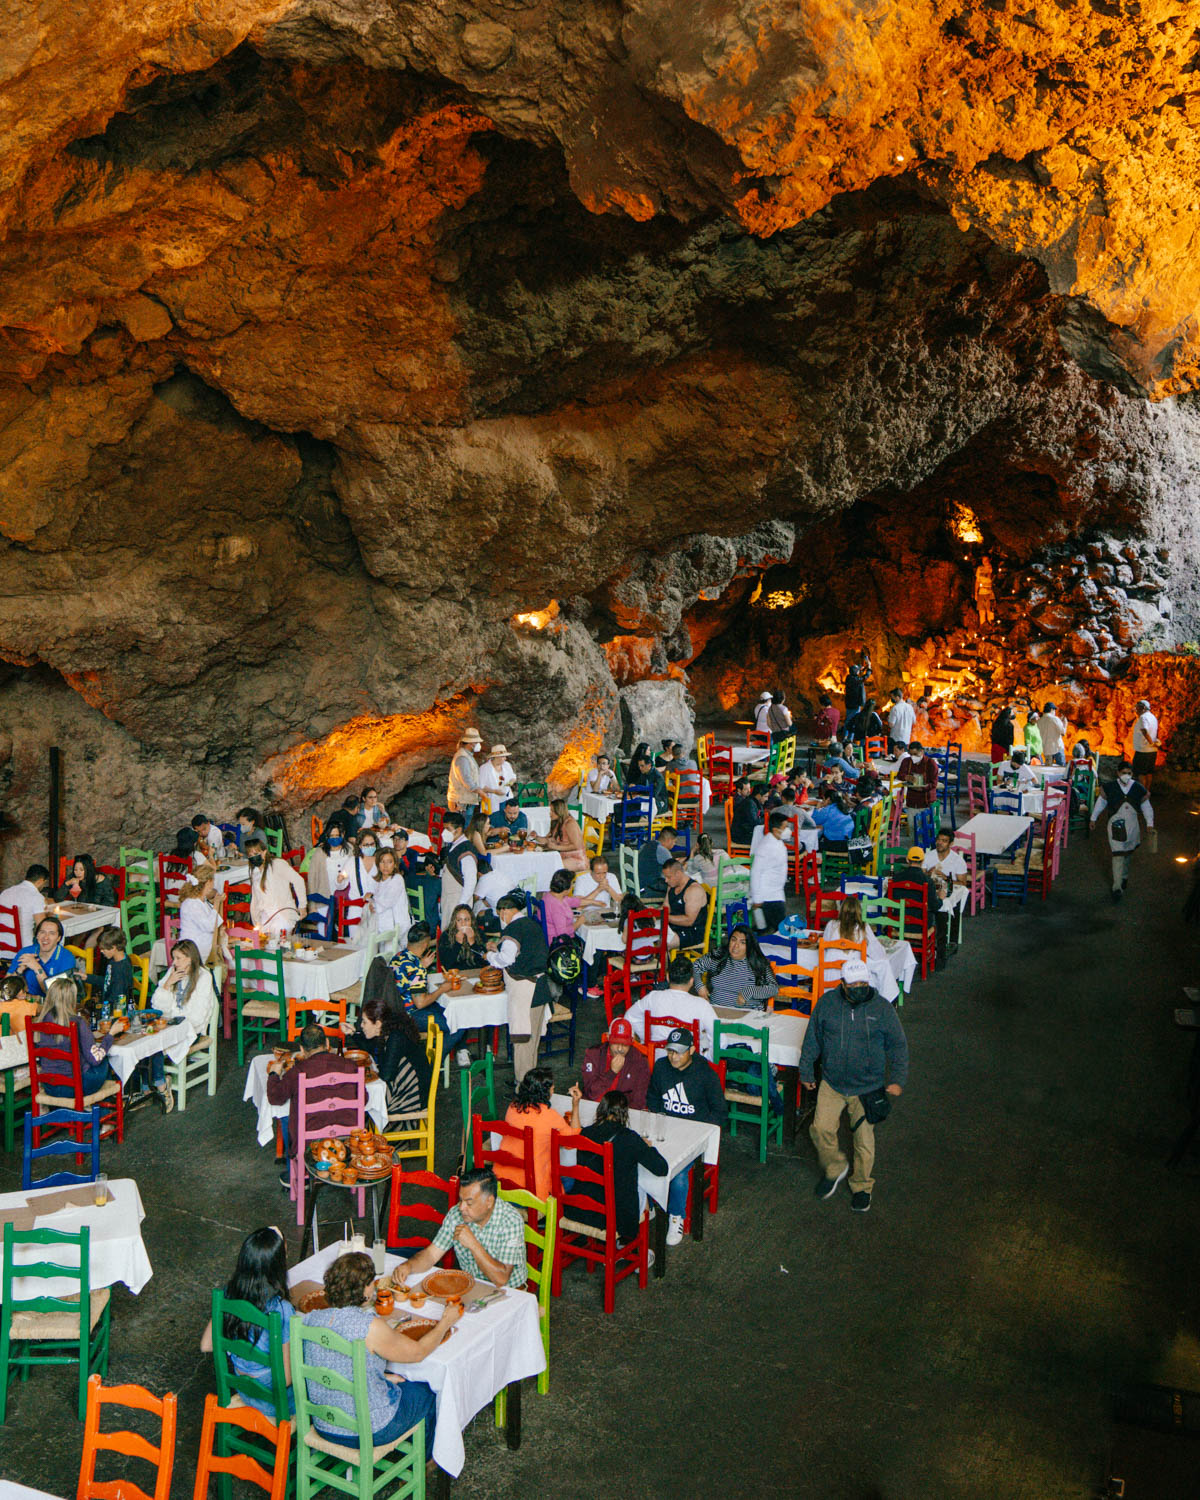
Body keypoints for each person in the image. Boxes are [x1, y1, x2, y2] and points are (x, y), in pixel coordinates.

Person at [299, 1250, 456, 1450]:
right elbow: (418, 1352)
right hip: (371, 1429)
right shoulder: (369, 1327)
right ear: (365, 1290)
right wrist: (445, 1323)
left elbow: (337, 1365)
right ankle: (425, 1463)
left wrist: (382, 1378)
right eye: (371, 1283)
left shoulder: (311, 1319)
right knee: (427, 1392)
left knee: (397, 1380)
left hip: (325, 1425)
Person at [799, 957, 908, 1213]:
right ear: (842, 984)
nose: (859, 986)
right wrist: (806, 1071)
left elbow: (898, 1045)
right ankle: (835, 1168)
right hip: (833, 1083)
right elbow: (812, 1038)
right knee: (819, 1129)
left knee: (864, 1142)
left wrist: (897, 1079)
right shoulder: (827, 1004)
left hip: (867, 1087)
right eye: (853, 983)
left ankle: (861, 1186)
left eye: (863, 982)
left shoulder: (882, 1009)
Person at [199, 1227, 295, 1416]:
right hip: (275, 1403)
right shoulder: (282, 1310)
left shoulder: (228, 1294)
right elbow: (285, 1379)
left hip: (244, 1390)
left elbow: (206, 1345)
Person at [646, 1027, 726, 1245]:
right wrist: (657, 1115)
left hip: (692, 1135)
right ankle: (651, 1202)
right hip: (665, 1129)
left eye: (679, 1052)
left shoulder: (705, 1074)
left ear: (692, 1050)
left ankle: (676, 1216)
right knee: (642, 1156)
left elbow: (720, 1111)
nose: (673, 1056)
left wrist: (700, 1133)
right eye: (670, 1051)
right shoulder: (662, 1067)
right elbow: (652, 1096)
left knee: (679, 1172)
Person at [266, 1023, 361, 1185]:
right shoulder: (351, 1066)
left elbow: (275, 1098)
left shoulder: (298, 1071)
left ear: (302, 1050)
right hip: (346, 1143)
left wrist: (274, 1073)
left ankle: (295, 1175)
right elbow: (363, 1099)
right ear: (328, 1045)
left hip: (312, 1145)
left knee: (285, 1117)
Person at [403, 1166, 529, 1287]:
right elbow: (431, 1255)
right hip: (474, 1287)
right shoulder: (456, 1214)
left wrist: (473, 1244)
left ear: (489, 1202)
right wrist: (409, 1266)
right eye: (461, 1200)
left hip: (509, 1293)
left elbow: (501, 1280)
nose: (461, 1208)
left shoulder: (510, 1221)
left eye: (469, 1203)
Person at [569, 1090, 668, 1244]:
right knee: (643, 1189)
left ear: (601, 1109)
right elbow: (661, 1168)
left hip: (581, 1209)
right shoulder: (630, 1139)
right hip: (613, 1216)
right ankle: (633, 1246)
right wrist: (648, 1147)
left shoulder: (586, 1133)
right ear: (624, 1114)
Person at [140, 938, 218, 1109]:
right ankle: (146, 1089)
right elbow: (157, 1005)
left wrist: (173, 1021)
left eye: (178, 958)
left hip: (191, 1028)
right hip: (170, 1023)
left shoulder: (204, 977)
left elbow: (199, 1014)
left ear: (190, 958)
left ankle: (160, 1085)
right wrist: (168, 984)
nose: (174, 962)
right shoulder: (173, 972)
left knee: (158, 1040)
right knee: (146, 1037)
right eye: (174, 958)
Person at [487, 894, 551, 1084]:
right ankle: (530, 1085)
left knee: (522, 1042)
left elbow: (507, 959)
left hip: (525, 991)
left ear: (505, 911)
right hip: (541, 988)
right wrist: (498, 948)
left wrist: (490, 957)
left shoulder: (513, 928)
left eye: (500, 914)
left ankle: (523, 1091)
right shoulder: (532, 924)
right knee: (533, 1043)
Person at [36, 975, 124, 1096]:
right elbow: (95, 1059)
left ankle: (95, 1107)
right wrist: (111, 1034)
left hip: (49, 1086)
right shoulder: (77, 1022)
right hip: (73, 1087)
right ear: (72, 999)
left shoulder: (41, 1021)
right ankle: (102, 1108)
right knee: (105, 1060)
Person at [500, 1067, 581, 1198]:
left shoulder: (512, 1107)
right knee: (570, 1177)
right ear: (545, 1092)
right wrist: (576, 1105)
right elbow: (572, 1142)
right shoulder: (550, 1117)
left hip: (504, 1185)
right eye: (552, 1088)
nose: (553, 1089)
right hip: (532, 1191)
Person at [347, 995, 432, 1117]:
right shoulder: (388, 1032)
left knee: (361, 1098)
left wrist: (368, 1076)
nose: (361, 1025)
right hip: (404, 1086)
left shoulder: (395, 1038)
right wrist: (353, 1033)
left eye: (364, 1022)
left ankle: (365, 1130)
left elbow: (386, 1075)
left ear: (377, 1024)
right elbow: (371, 1048)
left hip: (413, 1095)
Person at [625, 955, 718, 1058]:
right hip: (688, 1064)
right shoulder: (702, 1005)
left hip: (657, 1061)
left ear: (668, 977)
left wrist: (647, 1039)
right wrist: (706, 1057)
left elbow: (629, 1017)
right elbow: (719, 1040)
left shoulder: (652, 997)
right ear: (692, 981)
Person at [1091, 761, 1155, 901]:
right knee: (1118, 855)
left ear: (1132, 774)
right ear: (1118, 773)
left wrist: (1149, 823)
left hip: (1132, 826)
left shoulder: (1138, 788)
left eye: (1129, 773)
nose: (1126, 775)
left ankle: (1124, 876)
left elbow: (1146, 806)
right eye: (1123, 772)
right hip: (1116, 826)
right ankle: (1117, 887)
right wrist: (1093, 818)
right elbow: (1101, 803)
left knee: (1128, 853)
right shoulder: (1110, 787)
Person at [693, 924, 778, 1010]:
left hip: (747, 1015)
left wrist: (750, 991)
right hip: (716, 1013)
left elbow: (773, 989)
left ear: (749, 946)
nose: (736, 946)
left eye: (742, 942)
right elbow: (696, 966)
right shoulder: (719, 956)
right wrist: (699, 986)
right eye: (733, 940)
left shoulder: (757, 963)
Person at [580, 1016, 651, 1108]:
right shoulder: (593, 1054)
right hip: (594, 1107)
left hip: (621, 1113)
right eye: (616, 1043)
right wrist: (612, 1073)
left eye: (625, 1044)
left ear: (632, 1041)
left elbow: (639, 1101)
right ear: (608, 1038)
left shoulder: (640, 1061)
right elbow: (591, 1093)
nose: (620, 1049)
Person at [245, 838, 306, 934]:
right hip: (265, 918)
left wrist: (302, 906)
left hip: (282, 914)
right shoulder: (255, 872)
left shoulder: (277, 864)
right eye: (250, 856)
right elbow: (256, 900)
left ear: (264, 852)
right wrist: (256, 920)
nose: (253, 858)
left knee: (276, 942)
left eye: (256, 854)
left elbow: (298, 880)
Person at [178, 865, 231, 967]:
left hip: (202, 948)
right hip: (193, 951)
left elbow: (215, 920)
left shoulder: (201, 902)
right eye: (213, 881)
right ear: (208, 882)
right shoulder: (191, 904)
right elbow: (210, 926)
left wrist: (219, 903)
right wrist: (216, 903)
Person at [12, 914, 76, 997]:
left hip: (51, 1005)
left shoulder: (67, 958)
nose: (46, 937)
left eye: (52, 933)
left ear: (58, 938)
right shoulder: (25, 952)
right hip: (26, 1002)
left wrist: (37, 968)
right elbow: (6, 987)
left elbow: (57, 997)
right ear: (37, 935)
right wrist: (19, 971)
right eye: (42, 932)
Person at [821, 895, 889, 967]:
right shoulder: (863, 927)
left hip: (829, 973)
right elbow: (878, 954)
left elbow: (824, 949)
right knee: (881, 966)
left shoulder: (831, 925)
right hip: (853, 974)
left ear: (841, 910)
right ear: (859, 911)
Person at [750, 812, 790, 933]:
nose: (788, 830)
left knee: (773, 929)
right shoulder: (765, 847)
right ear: (775, 830)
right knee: (782, 931)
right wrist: (757, 898)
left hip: (777, 892)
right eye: (785, 828)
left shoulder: (778, 842)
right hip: (768, 895)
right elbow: (755, 873)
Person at [305, 814, 356, 906]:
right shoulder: (319, 853)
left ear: (343, 834)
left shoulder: (350, 849)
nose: (335, 839)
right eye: (332, 836)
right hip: (325, 897)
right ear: (327, 836)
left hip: (348, 895)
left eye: (337, 835)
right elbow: (312, 878)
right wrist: (312, 905)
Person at [0, 864, 52, 948]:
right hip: (22, 951)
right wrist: (48, 914)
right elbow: (42, 927)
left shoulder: (6, 892)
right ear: (40, 881)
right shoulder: (36, 896)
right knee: (52, 938)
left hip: (2, 948)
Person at [439, 812, 478, 923]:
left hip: (458, 900)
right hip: (449, 898)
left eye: (448, 829)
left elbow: (470, 881)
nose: (444, 832)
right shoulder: (453, 846)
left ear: (459, 830)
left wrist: (462, 905)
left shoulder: (466, 850)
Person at [661, 859, 708, 951]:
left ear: (678, 874)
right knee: (646, 934)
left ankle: (667, 965)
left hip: (692, 931)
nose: (666, 880)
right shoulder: (671, 885)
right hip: (674, 926)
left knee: (664, 943)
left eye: (668, 877)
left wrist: (664, 917)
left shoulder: (694, 890)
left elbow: (689, 920)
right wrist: (652, 913)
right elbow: (666, 906)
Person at [369, 847, 411, 945]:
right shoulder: (378, 881)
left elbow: (386, 902)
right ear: (378, 865)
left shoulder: (397, 879)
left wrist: (372, 901)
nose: (385, 866)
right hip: (383, 926)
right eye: (382, 862)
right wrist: (371, 901)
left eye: (389, 862)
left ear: (395, 864)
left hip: (398, 928)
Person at [539, 799, 587, 873]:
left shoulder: (570, 824)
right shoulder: (557, 822)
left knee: (550, 867)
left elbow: (577, 846)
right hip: (562, 856)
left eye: (552, 811)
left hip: (576, 859)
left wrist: (556, 847)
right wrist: (536, 837)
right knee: (542, 862)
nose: (550, 813)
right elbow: (548, 839)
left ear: (559, 811)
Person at [96, 927, 133, 1012]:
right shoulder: (114, 960)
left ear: (113, 947)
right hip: (108, 1002)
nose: (101, 951)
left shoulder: (121, 970)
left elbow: (117, 997)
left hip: (115, 1009)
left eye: (103, 949)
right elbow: (108, 981)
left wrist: (102, 1007)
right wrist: (87, 977)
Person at [438, 904, 487, 969]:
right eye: (459, 920)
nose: (463, 923)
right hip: (456, 975)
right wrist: (457, 943)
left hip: (475, 974)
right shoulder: (446, 936)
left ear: (471, 921)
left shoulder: (479, 933)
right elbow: (446, 965)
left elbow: (484, 963)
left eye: (466, 919)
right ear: (454, 922)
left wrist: (473, 943)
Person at [446, 728, 483, 814]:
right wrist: (480, 791)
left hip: (465, 800)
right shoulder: (462, 757)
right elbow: (466, 779)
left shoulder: (467, 755)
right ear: (471, 744)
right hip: (461, 802)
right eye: (477, 742)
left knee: (463, 825)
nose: (479, 745)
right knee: (461, 826)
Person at [896, 740, 939, 810]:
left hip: (927, 801)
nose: (913, 757)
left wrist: (921, 788)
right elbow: (900, 775)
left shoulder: (931, 763)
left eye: (915, 754)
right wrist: (906, 777)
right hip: (911, 801)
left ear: (922, 751)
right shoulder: (907, 761)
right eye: (911, 755)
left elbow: (934, 783)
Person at [637, 826, 678, 899]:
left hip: (639, 885)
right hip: (647, 889)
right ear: (669, 840)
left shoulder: (648, 844)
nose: (674, 844)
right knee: (677, 888)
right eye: (674, 842)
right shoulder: (663, 851)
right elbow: (675, 870)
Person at [543, 869, 581, 943]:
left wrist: (594, 902)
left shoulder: (550, 895)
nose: (573, 886)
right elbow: (562, 933)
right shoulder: (556, 906)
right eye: (572, 883)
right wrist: (579, 922)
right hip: (558, 942)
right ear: (566, 888)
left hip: (548, 936)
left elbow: (572, 901)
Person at [1131, 698, 1160, 787]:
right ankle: (1147, 792)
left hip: (1143, 750)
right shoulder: (1153, 717)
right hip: (1152, 751)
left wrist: (1150, 742)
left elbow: (1144, 730)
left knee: (1141, 773)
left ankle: (1142, 794)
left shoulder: (1144, 717)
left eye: (1138, 708)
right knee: (1149, 772)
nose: (1136, 710)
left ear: (1143, 708)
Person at [479, 744, 516, 810]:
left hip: (506, 798)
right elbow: (481, 787)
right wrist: (494, 791)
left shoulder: (507, 765)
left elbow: (513, 777)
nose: (505, 758)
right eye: (503, 756)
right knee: (493, 818)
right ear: (496, 757)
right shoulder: (484, 768)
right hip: (491, 800)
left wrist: (510, 783)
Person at [1036, 702, 1067, 767]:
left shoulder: (1039, 721)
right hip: (1057, 748)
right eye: (1054, 710)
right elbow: (1063, 732)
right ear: (1052, 710)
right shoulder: (1055, 719)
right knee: (1061, 768)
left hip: (1046, 749)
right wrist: (1065, 723)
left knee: (1048, 770)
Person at [887, 688, 916, 754]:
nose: (891, 699)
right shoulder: (910, 707)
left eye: (892, 697)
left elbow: (891, 725)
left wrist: (888, 719)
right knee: (904, 758)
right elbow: (914, 721)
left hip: (895, 738)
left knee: (892, 757)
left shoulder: (895, 708)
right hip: (906, 738)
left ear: (897, 697)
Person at [974, 554, 995, 625]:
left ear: (989, 560)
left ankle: (991, 628)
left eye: (986, 560)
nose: (984, 562)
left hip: (990, 593)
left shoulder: (992, 568)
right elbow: (977, 581)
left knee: (990, 612)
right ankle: (983, 629)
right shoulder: (979, 568)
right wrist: (976, 593)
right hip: (981, 593)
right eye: (983, 560)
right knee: (982, 613)